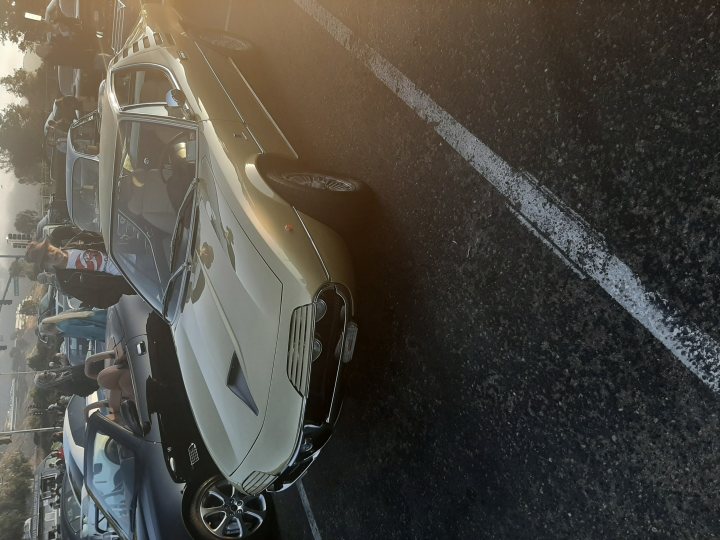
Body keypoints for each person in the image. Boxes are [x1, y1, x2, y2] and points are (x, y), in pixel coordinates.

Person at [25, 237, 135, 309]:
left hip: (137, 254)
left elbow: (106, 239)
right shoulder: (67, 283)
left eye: (48, 250)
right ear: (46, 266)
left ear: (50, 245)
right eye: (46, 258)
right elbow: (100, 301)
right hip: (134, 282)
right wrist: (122, 287)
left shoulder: (77, 241)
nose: (52, 255)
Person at [39, 308, 107, 342]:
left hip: (107, 327)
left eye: (47, 335)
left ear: (48, 331)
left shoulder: (65, 328)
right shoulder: (61, 317)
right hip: (103, 316)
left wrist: (107, 337)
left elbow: (92, 331)